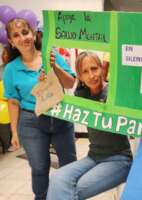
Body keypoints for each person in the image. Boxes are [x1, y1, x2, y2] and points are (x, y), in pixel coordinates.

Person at [3, 18, 77, 200]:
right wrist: (14, 132)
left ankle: (69, 196)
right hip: (31, 121)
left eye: (25, 32)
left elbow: (70, 82)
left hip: (60, 115)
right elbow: (13, 102)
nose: (23, 38)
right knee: (39, 167)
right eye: (16, 35)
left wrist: (55, 66)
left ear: (34, 33)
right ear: (12, 42)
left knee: (68, 165)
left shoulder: (50, 55)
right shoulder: (11, 69)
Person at [46, 51, 133, 200]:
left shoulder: (113, 92)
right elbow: (57, 99)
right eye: (85, 72)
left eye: (94, 68)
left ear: (102, 68)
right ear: (79, 76)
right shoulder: (81, 94)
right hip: (93, 157)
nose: (91, 75)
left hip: (119, 159)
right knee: (57, 178)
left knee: (71, 192)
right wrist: (48, 75)